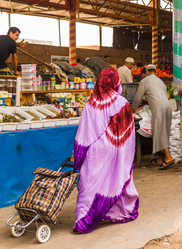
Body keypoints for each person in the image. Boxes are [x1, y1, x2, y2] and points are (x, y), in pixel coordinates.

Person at [71, 68, 139, 233]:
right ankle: (117, 211)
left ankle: (83, 218)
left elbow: (83, 134)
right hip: (116, 150)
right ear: (116, 82)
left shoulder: (89, 105)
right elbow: (129, 134)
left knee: (90, 184)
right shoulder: (122, 103)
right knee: (116, 179)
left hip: (94, 152)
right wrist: (125, 155)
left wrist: (77, 154)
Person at [132, 64, 174, 169]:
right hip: (168, 106)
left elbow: (138, 98)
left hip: (158, 107)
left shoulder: (144, 81)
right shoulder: (160, 82)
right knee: (164, 130)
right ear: (155, 71)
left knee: (159, 131)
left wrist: (133, 108)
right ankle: (159, 157)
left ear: (146, 72)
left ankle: (168, 157)